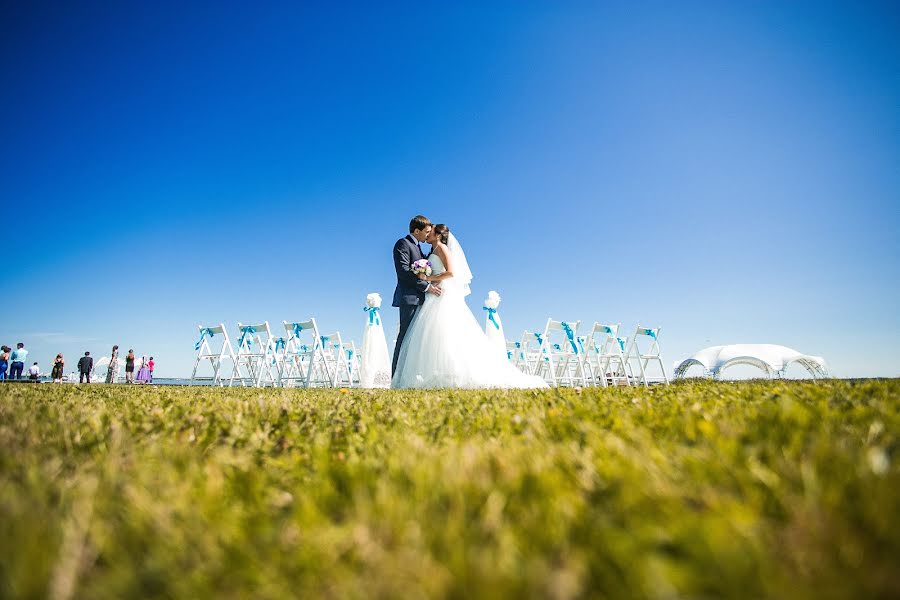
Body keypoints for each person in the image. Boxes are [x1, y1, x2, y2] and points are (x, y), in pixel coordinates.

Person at [392, 224, 548, 389]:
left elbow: (451, 273)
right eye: (427, 231)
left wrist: (428, 279)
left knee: (444, 333)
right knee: (429, 335)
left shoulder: (442, 248)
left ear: (437, 235)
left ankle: (450, 372)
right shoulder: (430, 251)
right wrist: (428, 279)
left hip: (440, 295)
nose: (428, 234)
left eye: (431, 232)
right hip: (431, 295)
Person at [391, 215, 442, 375]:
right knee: (405, 336)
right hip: (409, 298)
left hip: (421, 299)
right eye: (426, 232)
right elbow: (404, 272)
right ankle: (396, 376)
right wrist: (427, 287)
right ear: (416, 230)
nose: (428, 234)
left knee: (414, 340)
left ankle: (409, 375)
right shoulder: (403, 244)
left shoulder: (419, 247)